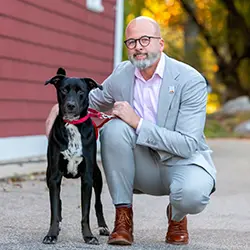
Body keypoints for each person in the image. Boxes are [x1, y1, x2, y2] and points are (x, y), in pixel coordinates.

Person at [45, 16, 216, 246]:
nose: (138, 47)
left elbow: (187, 144)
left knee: (191, 195)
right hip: (142, 165)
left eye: (145, 40)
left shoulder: (189, 80)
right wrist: (57, 109)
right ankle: (123, 219)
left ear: (161, 43)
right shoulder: (123, 74)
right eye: (132, 42)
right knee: (113, 130)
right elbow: (90, 99)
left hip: (181, 162)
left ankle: (177, 216)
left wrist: (138, 123)